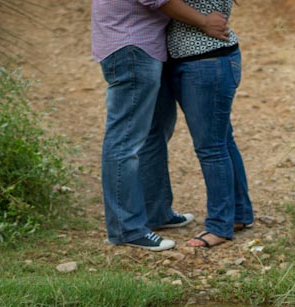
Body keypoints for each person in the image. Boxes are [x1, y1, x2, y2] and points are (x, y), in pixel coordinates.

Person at [91, 0, 230, 251]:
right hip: (131, 46)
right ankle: (126, 229)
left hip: (143, 47)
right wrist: (204, 21)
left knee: (154, 132)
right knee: (125, 140)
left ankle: (156, 213)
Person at [167, 0, 253, 249]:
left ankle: (219, 226)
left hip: (207, 60)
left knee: (211, 147)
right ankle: (238, 214)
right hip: (203, 59)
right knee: (222, 140)